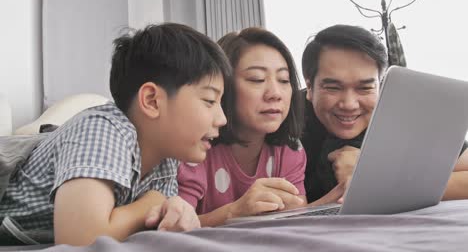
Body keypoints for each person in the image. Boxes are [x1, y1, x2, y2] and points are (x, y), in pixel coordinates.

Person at [0, 23, 231, 246]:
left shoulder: (165, 160)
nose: (222, 119)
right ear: (152, 101)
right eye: (209, 101)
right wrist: (152, 202)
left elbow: (151, 227)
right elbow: (81, 241)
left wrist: (176, 212)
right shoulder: (102, 129)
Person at [301, 24, 468, 203]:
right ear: (309, 87)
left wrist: (380, 178)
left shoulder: (402, 115)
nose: (349, 104)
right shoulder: (283, 119)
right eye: (333, 88)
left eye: (365, 88)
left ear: (380, 86)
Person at [177, 27, 312, 227]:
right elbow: (174, 228)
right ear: (222, 86)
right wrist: (235, 211)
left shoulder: (290, 149)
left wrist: (334, 200)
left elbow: (296, 220)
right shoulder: (194, 149)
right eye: (257, 79)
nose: (275, 93)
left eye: (284, 80)